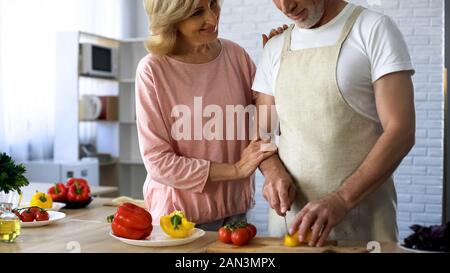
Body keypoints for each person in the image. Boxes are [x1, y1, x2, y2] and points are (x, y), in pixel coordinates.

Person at [254, 0, 416, 246]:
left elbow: (401, 131)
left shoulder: (373, 29)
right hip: (290, 224)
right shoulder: (274, 48)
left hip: (364, 224)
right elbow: (261, 134)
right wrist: (272, 171)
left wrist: (341, 200)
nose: (286, 6)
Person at [136, 0, 277, 231]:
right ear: (172, 17)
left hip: (236, 212)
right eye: (197, 12)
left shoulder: (235, 55)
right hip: (179, 219)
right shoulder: (152, 70)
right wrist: (236, 170)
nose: (213, 18)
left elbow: (267, 123)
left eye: (213, 4)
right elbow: (158, 163)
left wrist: (273, 69)